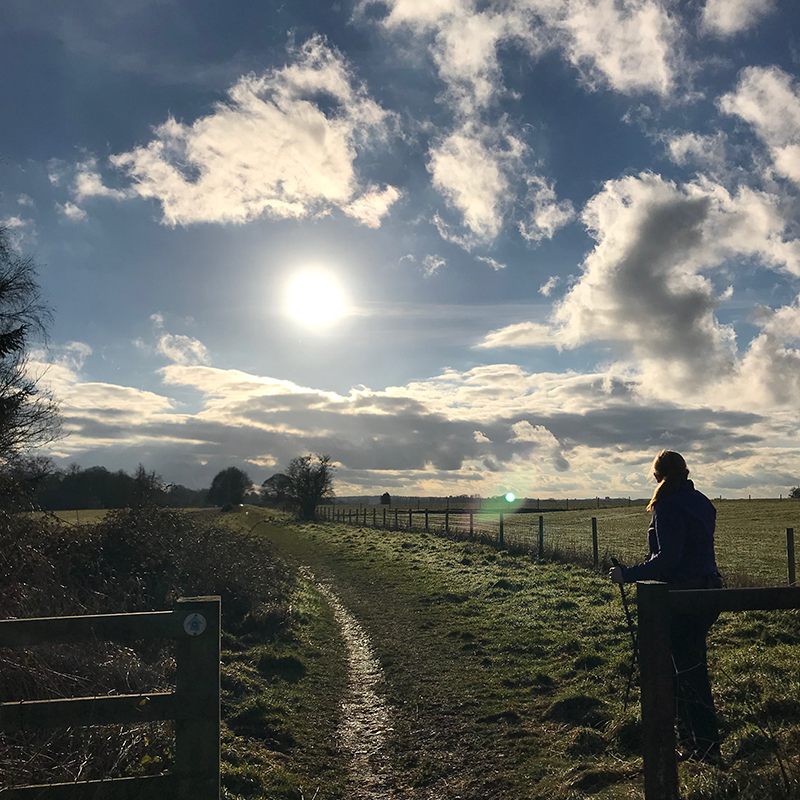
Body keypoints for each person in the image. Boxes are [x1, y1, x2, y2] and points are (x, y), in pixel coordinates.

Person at [609, 449, 723, 765]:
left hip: (681, 597)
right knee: (689, 667)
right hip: (709, 591)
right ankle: (699, 744)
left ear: (658, 475)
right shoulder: (702, 502)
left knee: (683, 671)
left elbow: (670, 557)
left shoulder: (667, 505)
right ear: (685, 472)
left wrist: (628, 574)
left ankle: (700, 747)